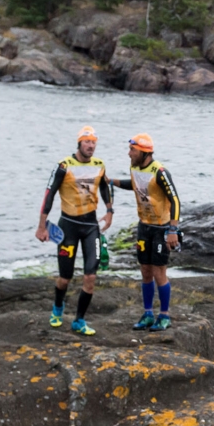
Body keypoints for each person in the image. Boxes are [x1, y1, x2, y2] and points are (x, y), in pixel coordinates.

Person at [36, 126, 114, 335]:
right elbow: (49, 194)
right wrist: (42, 225)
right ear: (79, 143)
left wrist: (109, 210)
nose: (91, 146)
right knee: (65, 277)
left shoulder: (100, 165)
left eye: (94, 142)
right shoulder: (64, 166)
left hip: (90, 227)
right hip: (68, 226)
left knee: (90, 276)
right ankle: (58, 307)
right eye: (87, 142)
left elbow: (106, 187)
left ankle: (79, 320)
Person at [108, 133, 181, 331]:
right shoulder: (134, 167)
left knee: (159, 272)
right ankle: (148, 313)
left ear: (145, 153)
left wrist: (173, 229)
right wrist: (111, 181)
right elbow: (136, 185)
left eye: (133, 150)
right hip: (144, 226)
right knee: (145, 271)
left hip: (161, 228)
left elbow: (174, 200)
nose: (129, 154)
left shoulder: (160, 172)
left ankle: (164, 315)